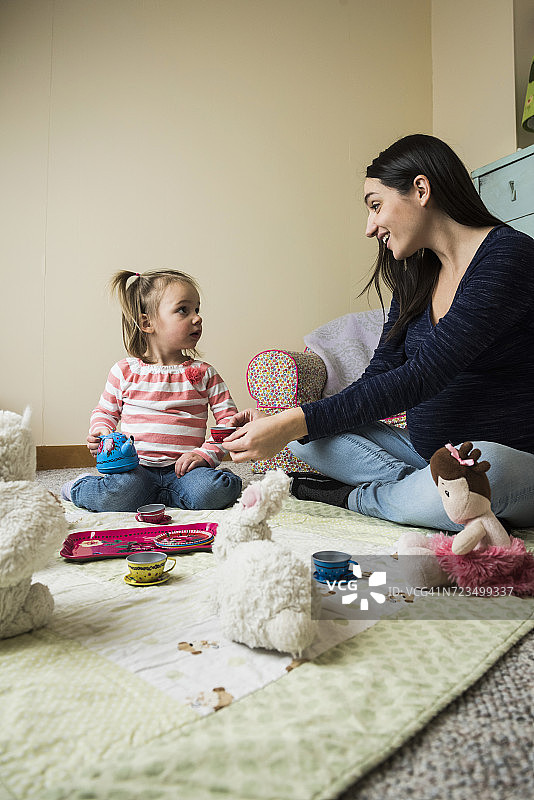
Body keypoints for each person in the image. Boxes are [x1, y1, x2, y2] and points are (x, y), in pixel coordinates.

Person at [224, 134, 534, 532]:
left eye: (375, 206)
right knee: (306, 439)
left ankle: (356, 497)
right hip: (425, 454)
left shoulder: (509, 257)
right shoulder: (418, 275)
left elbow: (424, 375)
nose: (370, 227)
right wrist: (286, 421)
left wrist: (292, 422)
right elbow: (379, 375)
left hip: (508, 463)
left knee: (491, 468)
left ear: (421, 190)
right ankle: (424, 490)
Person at [62, 269, 242, 512]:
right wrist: (101, 432)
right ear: (147, 323)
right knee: (118, 495)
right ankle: (77, 487)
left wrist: (205, 455)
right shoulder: (124, 371)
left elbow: (229, 422)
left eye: (197, 309)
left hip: (186, 471)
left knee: (212, 491)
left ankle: (176, 491)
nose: (197, 318)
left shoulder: (205, 373)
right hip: (137, 470)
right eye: (183, 310)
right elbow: (105, 412)